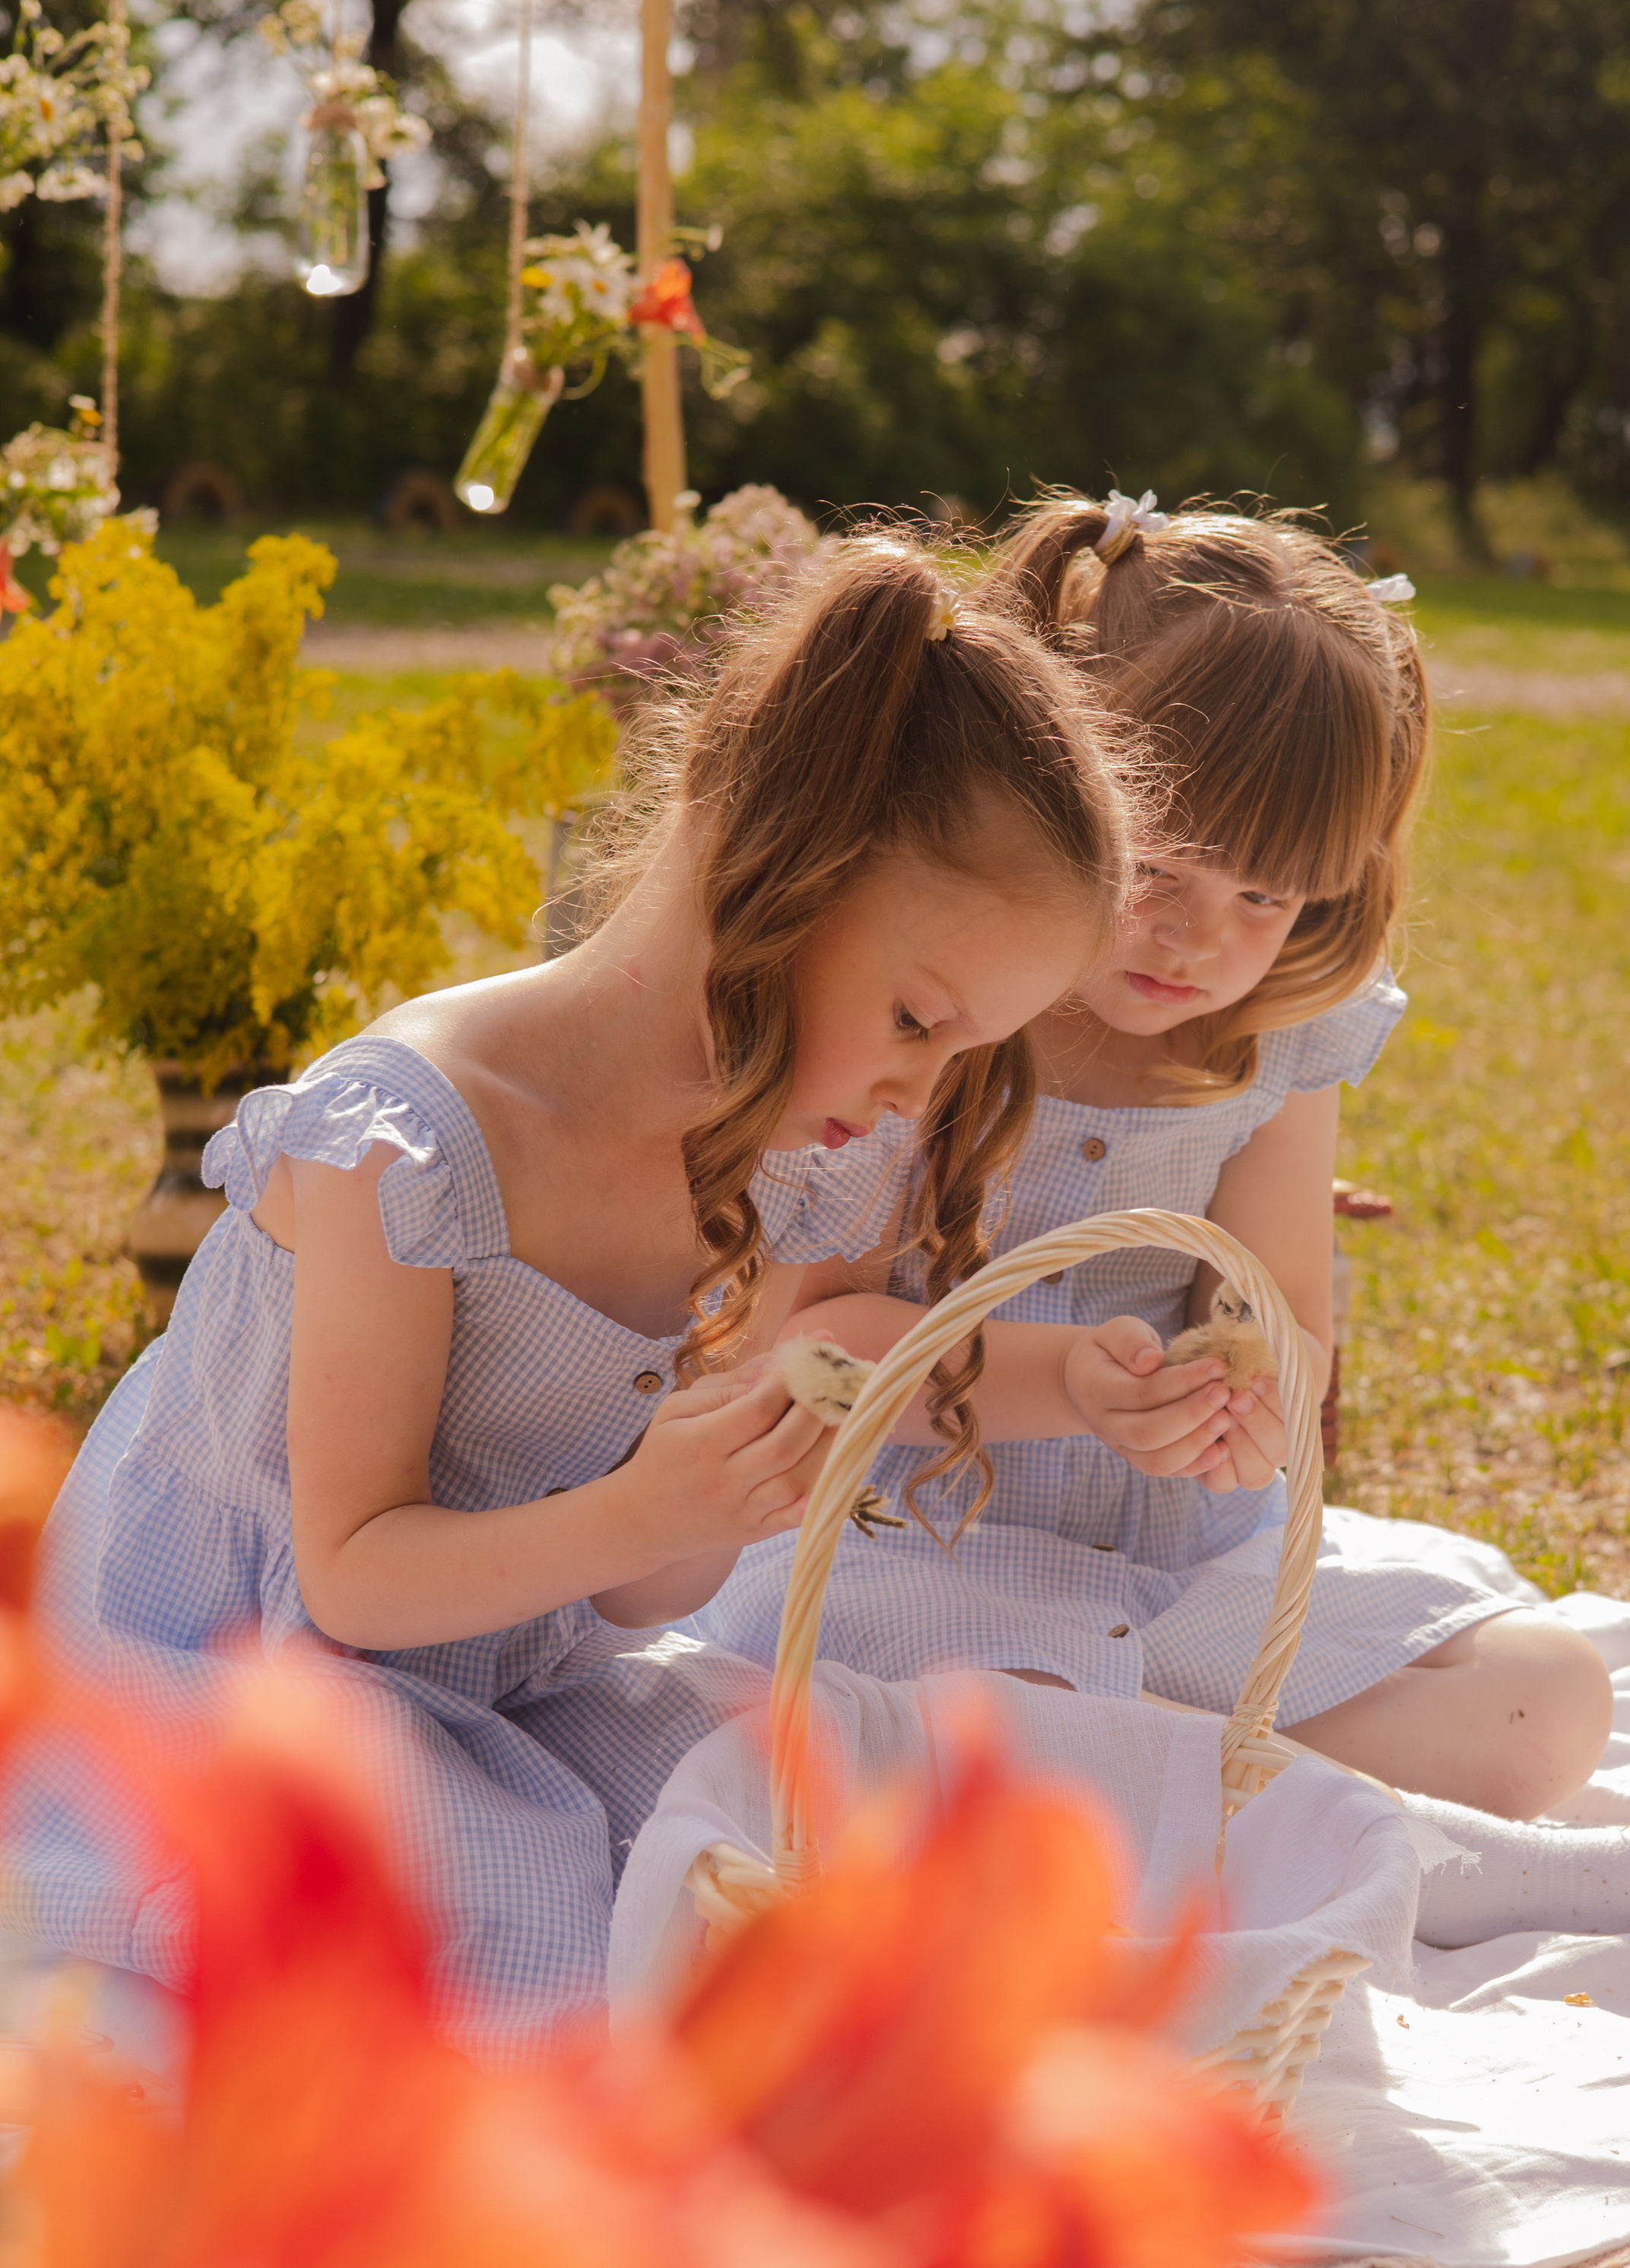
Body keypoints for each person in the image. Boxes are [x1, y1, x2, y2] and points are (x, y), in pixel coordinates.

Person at [17, 537, 1162, 2056]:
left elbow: (629, 1597)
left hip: (500, 1662)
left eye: (966, 1054)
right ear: (771, 872)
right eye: (914, 1019)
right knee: (532, 1921)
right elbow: (351, 1576)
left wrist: (710, 1494)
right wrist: (636, 1515)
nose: (918, 1093)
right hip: (250, 1683)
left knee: (782, 1814)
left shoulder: (783, 1160)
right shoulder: (411, 1141)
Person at [697, 498, 1617, 1822]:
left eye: (1266, 898)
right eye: (1163, 869)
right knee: (927, 1699)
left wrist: (1249, 1394)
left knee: (1545, 1702)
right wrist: (1070, 1382)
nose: (1200, 943)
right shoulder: (938, 1015)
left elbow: (1278, 1305)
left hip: (1173, 1569)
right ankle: (1193, 1779)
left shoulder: (1272, 1040)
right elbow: (814, 1351)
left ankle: (1135, 1769)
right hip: (913, 1550)